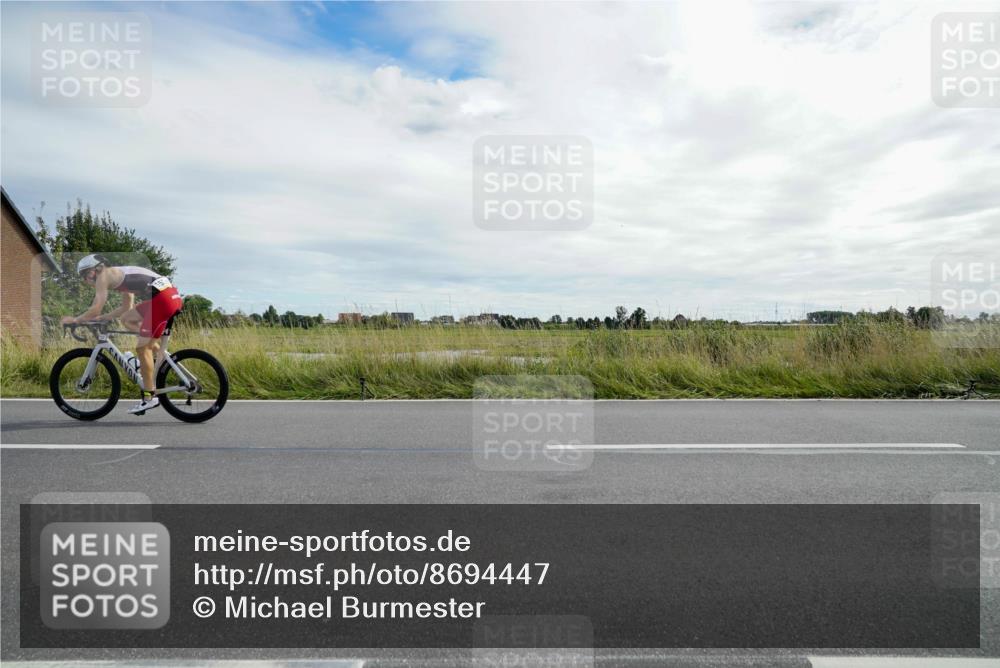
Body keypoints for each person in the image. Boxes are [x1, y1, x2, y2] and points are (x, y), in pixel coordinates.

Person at [61, 254, 183, 414]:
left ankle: (149, 397)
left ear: (98, 268)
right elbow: (125, 309)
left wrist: (76, 320)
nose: (85, 279)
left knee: (142, 349)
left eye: (86, 273)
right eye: (83, 276)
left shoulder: (103, 276)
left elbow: (96, 307)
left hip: (163, 300)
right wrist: (102, 318)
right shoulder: (120, 277)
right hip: (168, 297)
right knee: (127, 319)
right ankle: (151, 352)